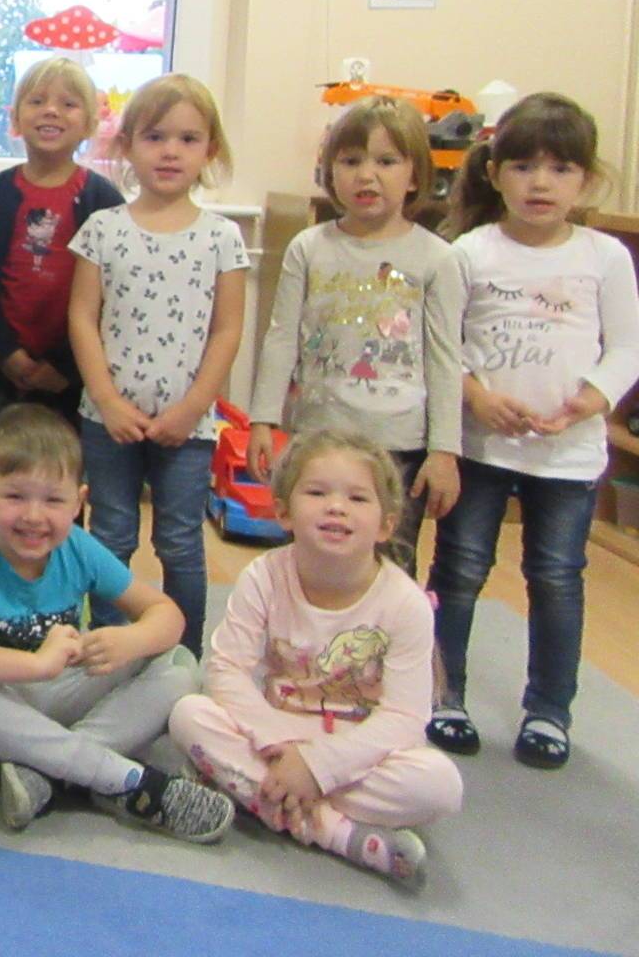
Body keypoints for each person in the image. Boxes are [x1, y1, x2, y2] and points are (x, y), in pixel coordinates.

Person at [426, 93, 639, 770]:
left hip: (567, 455)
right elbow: (442, 347)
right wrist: (477, 398)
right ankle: (443, 694)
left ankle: (549, 710)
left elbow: (627, 347)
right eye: (523, 167)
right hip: (482, 448)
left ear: (586, 180)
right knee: (459, 572)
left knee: (556, 580)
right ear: (494, 174)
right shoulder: (470, 253)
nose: (540, 183)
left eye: (560, 169)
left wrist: (588, 402)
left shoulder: (604, 257)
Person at [0, 404, 230, 842]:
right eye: (15, 496)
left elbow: (168, 616)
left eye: (53, 500)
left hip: (55, 698)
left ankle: (45, 771)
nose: (34, 516)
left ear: (79, 501)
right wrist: (35, 665)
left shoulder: (78, 548)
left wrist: (131, 639)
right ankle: (125, 780)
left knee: (178, 664)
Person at [172, 431, 463, 888]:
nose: (336, 507)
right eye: (317, 492)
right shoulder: (264, 576)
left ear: (386, 525)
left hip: (358, 747)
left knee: (439, 785)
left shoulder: (404, 603)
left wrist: (319, 767)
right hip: (276, 736)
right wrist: (281, 745)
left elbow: (405, 718)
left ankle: (253, 790)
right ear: (284, 512)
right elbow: (226, 670)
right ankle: (336, 833)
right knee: (189, 714)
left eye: (357, 498)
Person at [69, 73, 248, 656]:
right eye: (154, 137)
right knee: (111, 535)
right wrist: (108, 401)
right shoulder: (103, 229)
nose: (171, 151)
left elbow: (227, 330)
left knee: (180, 543)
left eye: (188, 139)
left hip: (188, 426)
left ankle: (183, 656)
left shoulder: (222, 237)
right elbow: (82, 318)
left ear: (210, 150)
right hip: (108, 419)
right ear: (126, 147)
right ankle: (108, 649)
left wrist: (193, 407)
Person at [249, 96, 464, 573]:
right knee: (310, 555)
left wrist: (444, 450)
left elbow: (446, 359)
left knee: (390, 564)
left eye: (386, 161)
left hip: (399, 442)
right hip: (319, 433)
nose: (367, 175)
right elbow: (281, 337)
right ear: (330, 171)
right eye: (350, 161)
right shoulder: (309, 247)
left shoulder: (436, 258)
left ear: (415, 175)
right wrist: (263, 419)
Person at [0, 57, 123, 431]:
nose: (51, 110)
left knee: (67, 460)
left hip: (76, 369)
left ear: (89, 123)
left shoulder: (103, 200)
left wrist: (67, 365)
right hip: (4, 366)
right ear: (16, 118)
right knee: (7, 455)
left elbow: (114, 294)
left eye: (68, 104)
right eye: (37, 101)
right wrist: (3, 352)